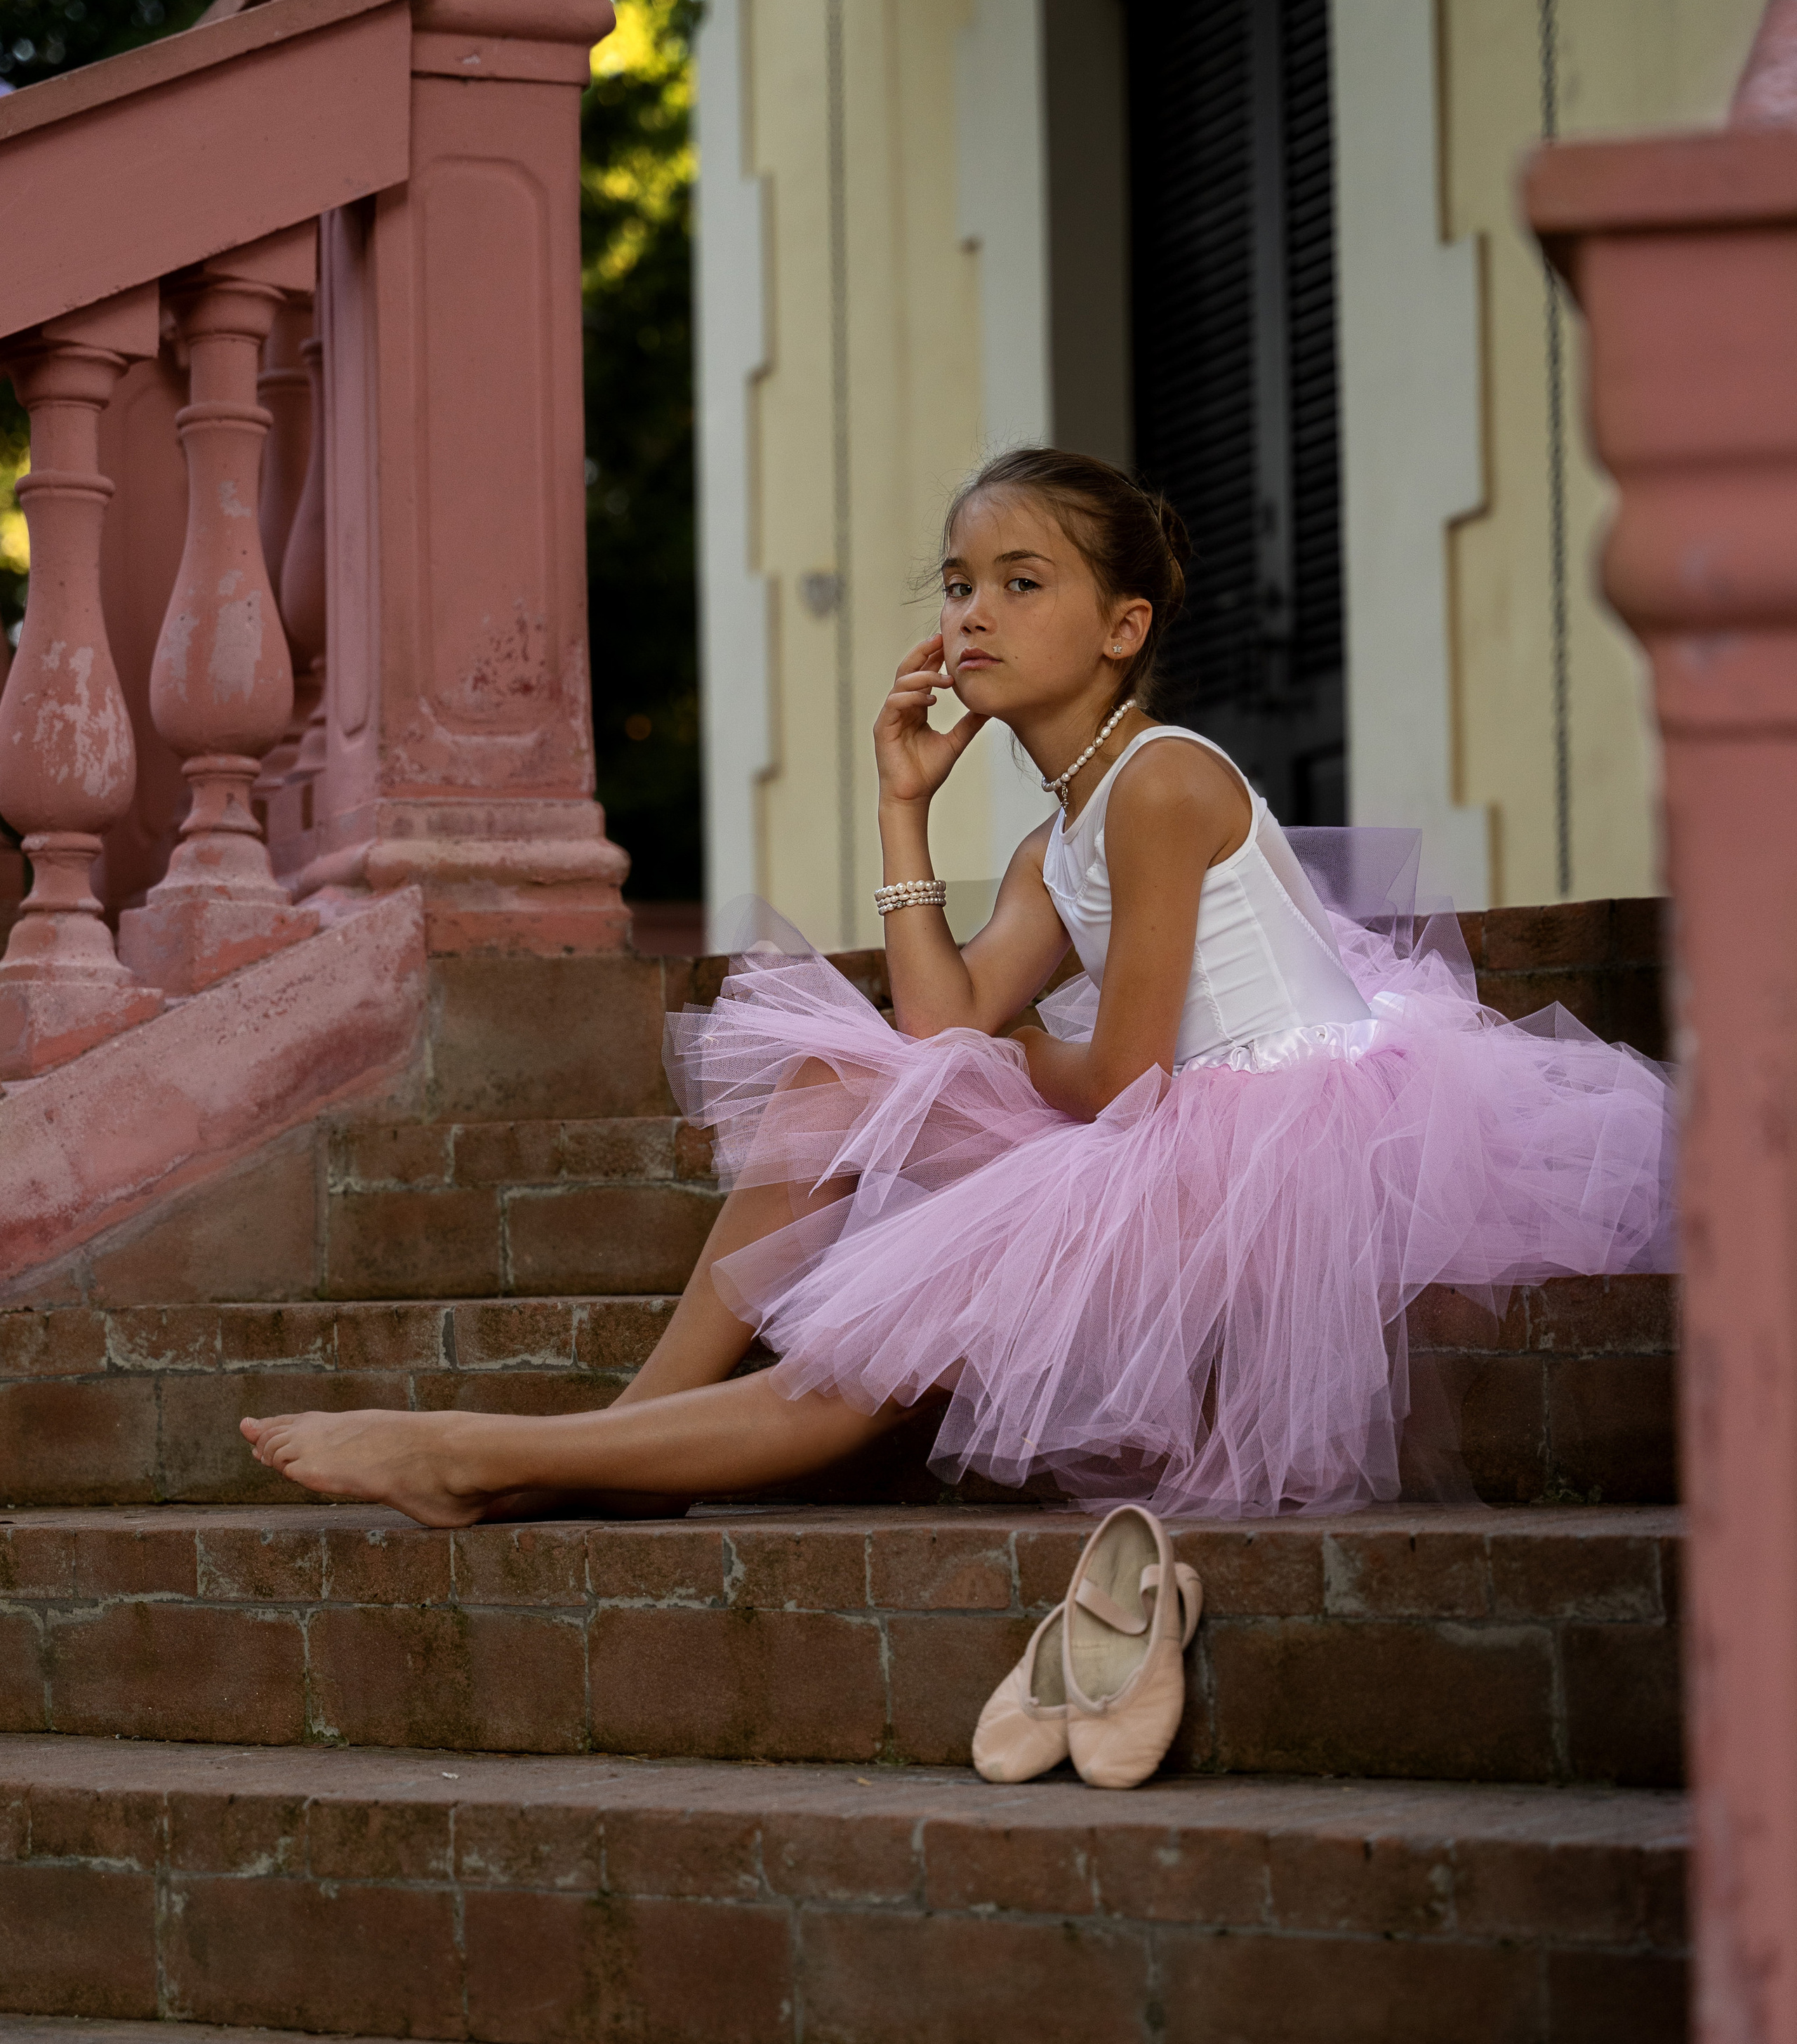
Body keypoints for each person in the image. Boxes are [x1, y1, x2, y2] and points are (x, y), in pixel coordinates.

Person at [241, 448, 1673, 1534]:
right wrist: (900, 814)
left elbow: (1117, 1080)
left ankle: (505, 1456)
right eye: (956, 582)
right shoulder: (1059, 837)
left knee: (900, 1320)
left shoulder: (1163, 779)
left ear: (1119, 629)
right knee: (830, 1082)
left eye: (1018, 581)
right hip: (1161, 1130)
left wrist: (996, 1072)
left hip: (1273, 1154)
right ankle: (630, 1434)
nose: (971, 614)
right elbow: (941, 1030)